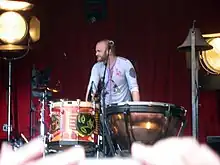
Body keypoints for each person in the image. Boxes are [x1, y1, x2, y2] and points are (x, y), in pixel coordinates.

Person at [85, 39, 140, 106]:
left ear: (109, 51)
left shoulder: (125, 64)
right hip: (105, 111)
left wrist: (136, 110)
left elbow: (134, 88)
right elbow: (91, 89)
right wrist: (87, 108)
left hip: (123, 109)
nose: (96, 54)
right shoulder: (97, 67)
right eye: (96, 51)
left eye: (99, 51)